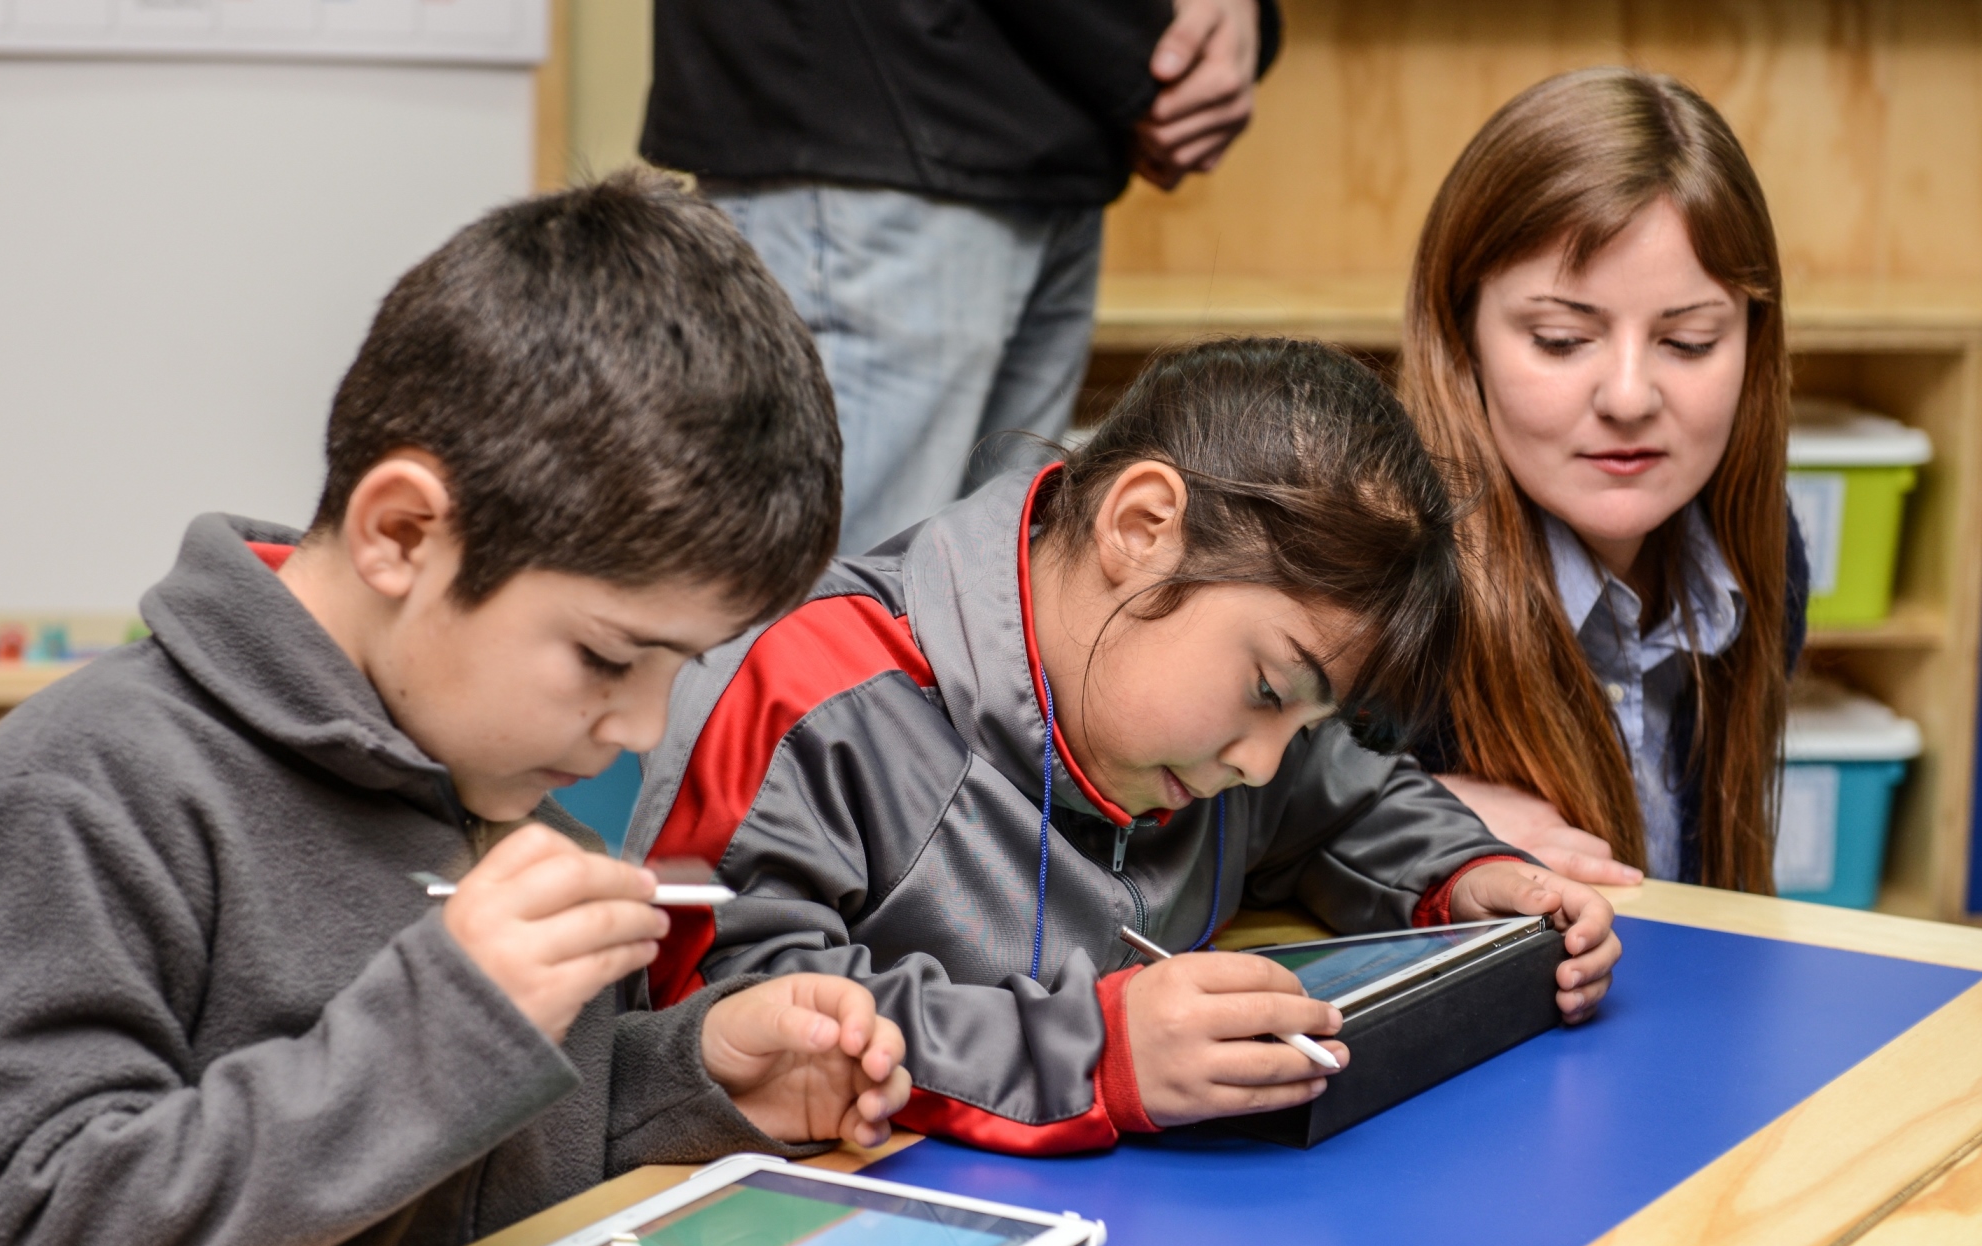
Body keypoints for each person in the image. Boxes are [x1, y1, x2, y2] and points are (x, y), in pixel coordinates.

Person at [0, 174, 912, 1246]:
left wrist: (692, 1080)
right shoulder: (70, 805)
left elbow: (464, 1173)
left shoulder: (507, 791)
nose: (638, 727)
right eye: (611, 657)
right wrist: (444, 1025)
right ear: (402, 533)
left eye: (683, 666)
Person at [625, 338, 1619, 1154]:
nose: (1261, 763)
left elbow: (1342, 801)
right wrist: (1091, 1051)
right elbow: (730, 1027)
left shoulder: (1220, 744)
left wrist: (1466, 877)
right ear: (1140, 528)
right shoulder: (806, 693)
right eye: (1268, 689)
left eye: (1304, 723)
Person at [642, 0, 1283, 553]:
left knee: (971, 601)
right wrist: (1158, 57)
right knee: (817, 619)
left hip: (1043, 131)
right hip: (875, 117)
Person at [1402, 69, 1807, 891]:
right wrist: (1399, 815)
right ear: (1462, 335)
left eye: (1688, 341)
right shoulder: (1377, 574)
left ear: (1749, 345)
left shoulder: (1764, 551)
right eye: (1558, 339)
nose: (1628, 398)